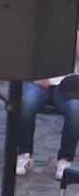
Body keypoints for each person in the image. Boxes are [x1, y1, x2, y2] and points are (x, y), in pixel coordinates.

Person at [15, 30, 79, 180]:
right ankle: (24, 154)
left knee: (75, 109)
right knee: (26, 104)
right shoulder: (40, 22)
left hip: (68, 82)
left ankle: (65, 159)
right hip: (37, 78)